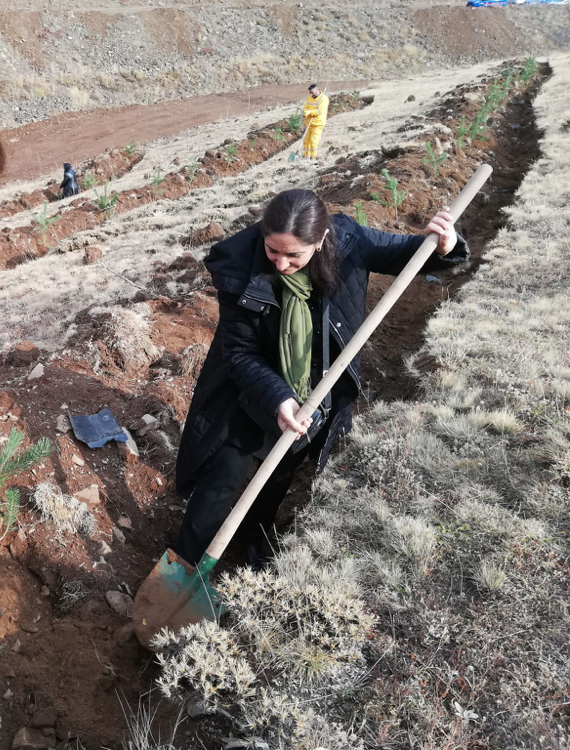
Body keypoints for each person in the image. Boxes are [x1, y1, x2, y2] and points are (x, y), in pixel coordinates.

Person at [173, 189, 467, 567]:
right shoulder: (237, 267)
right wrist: (278, 396)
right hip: (249, 386)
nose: (280, 263)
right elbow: (239, 351)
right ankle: (186, 562)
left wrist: (446, 245)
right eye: (273, 251)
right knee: (225, 473)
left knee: (282, 467)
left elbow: (412, 253)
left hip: (317, 383)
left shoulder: (349, 240)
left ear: (322, 240)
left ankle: (255, 538)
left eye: (293, 255)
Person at [301, 84, 329, 161]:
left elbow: (320, 111)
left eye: (312, 92)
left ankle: (313, 156)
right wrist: (305, 111)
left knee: (313, 140)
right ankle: (305, 156)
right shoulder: (310, 98)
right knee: (306, 140)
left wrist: (310, 112)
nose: (311, 94)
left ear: (317, 90)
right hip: (308, 123)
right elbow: (305, 107)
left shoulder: (323, 99)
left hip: (317, 124)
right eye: (309, 92)